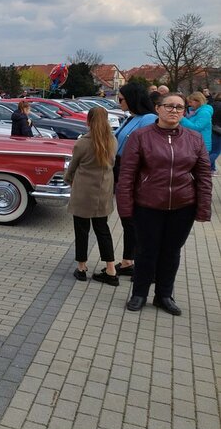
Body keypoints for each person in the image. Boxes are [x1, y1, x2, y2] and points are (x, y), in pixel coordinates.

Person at [117, 93, 212, 315]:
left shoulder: (194, 138)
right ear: (158, 109)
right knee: (145, 252)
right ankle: (139, 294)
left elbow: (203, 176)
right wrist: (125, 207)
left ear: (184, 112)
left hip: (182, 206)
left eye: (179, 107)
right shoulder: (140, 137)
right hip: (147, 205)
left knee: (171, 252)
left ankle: (164, 295)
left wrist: (203, 208)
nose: (174, 111)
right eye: (169, 106)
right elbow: (127, 174)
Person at [65, 107, 118, 285]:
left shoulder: (82, 143)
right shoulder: (112, 140)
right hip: (103, 190)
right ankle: (111, 269)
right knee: (103, 229)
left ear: (88, 121)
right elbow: (113, 163)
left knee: (82, 230)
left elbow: (73, 166)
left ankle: (81, 268)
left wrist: (68, 179)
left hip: (83, 191)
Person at [112, 83, 157, 276]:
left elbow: (148, 149)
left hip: (134, 173)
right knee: (127, 220)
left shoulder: (148, 119)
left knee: (135, 221)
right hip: (121, 170)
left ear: (132, 98)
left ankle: (144, 265)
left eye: (121, 99)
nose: (118, 102)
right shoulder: (132, 117)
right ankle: (128, 261)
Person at [209, 93, 221, 175]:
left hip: (211, 129)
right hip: (219, 131)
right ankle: (204, 166)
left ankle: (212, 169)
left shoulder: (211, 105)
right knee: (216, 151)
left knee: (212, 150)